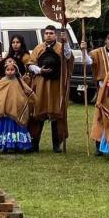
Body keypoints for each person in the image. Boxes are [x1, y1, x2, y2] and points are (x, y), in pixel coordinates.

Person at [27, 25, 73, 153]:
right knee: (38, 113)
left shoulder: (61, 47)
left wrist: (66, 42)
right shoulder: (39, 48)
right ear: (43, 35)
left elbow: (68, 58)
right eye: (46, 33)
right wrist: (39, 70)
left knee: (57, 113)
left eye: (51, 33)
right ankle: (34, 143)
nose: (48, 35)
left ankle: (57, 144)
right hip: (41, 84)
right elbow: (30, 65)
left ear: (56, 35)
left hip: (56, 85)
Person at [81, 29, 109, 155]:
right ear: (105, 40)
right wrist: (83, 50)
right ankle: (99, 145)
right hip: (103, 89)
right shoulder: (97, 52)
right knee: (101, 116)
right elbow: (87, 61)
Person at [0, 60, 35, 153]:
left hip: (16, 111)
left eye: (12, 69)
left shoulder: (19, 82)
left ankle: (18, 145)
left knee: (17, 126)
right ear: (5, 71)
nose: (10, 71)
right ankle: (7, 145)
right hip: (4, 112)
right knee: (6, 126)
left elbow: (27, 91)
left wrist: (31, 98)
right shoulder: (1, 82)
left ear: (16, 71)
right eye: (8, 70)